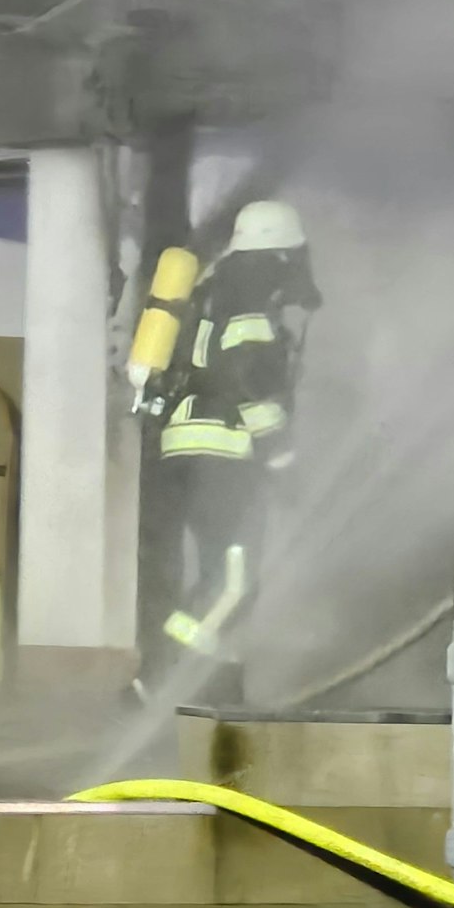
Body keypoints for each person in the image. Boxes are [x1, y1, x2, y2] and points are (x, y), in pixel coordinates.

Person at [144, 199, 321, 700]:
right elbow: (246, 378)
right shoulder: (250, 297)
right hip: (226, 450)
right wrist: (281, 454)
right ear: (280, 253)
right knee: (233, 582)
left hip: (190, 445)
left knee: (221, 573)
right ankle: (158, 678)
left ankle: (214, 684)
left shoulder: (213, 289)